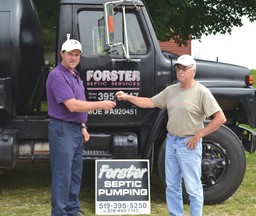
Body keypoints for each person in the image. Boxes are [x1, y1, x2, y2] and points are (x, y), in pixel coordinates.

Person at [115, 54, 226, 216]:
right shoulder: (171, 90)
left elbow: (220, 118)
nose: (180, 71)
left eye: (184, 69)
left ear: (193, 71)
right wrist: (127, 97)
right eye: (178, 68)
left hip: (189, 144)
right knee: (172, 185)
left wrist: (198, 135)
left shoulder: (202, 92)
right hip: (172, 141)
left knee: (193, 187)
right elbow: (150, 102)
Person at [46, 35, 116, 216]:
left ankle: (72, 210)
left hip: (75, 129)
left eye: (77, 55)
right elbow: (73, 105)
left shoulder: (75, 75)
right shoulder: (57, 75)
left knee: (75, 173)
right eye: (70, 54)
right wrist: (101, 104)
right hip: (62, 129)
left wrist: (83, 126)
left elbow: (79, 104)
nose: (74, 58)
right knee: (63, 175)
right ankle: (59, 212)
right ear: (62, 53)